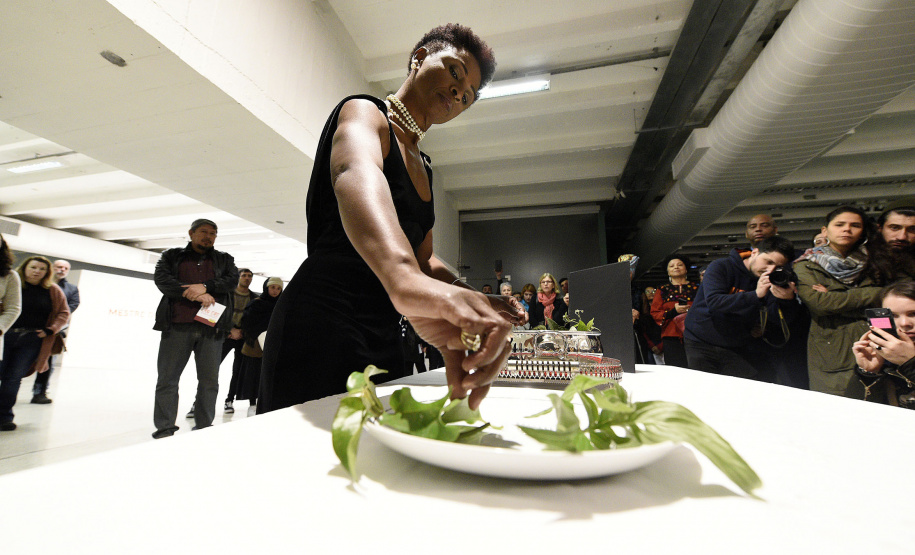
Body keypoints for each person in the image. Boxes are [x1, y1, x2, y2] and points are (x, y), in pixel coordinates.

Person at [258, 24, 522, 413]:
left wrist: (472, 295)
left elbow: (423, 260)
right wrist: (403, 280)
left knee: (384, 457)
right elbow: (352, 172)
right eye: (454, 72)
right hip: (322, 320)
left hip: (386, 327)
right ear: (418, 59)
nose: (457, 92)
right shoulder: (365, 113)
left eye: (466, 96)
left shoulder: (426, 167)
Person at [151, 218, 239, 439]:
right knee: (167, 380)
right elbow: (162, 280)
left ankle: (204, 427)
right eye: (203, 232)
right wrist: (195, 293)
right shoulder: (171, 256)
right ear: (191, 233)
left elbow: (231, 281)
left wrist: (207, 286)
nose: (208, 236)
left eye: (213, 233)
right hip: (177, 326)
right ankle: (165, 428)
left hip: (212, 329)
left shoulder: (224, 260)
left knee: (209, 382)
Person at [684, 237, 799, 380]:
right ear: (755, 252)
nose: (770, 270)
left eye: (777, 267)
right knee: (707, 390)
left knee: (742, 391)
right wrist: (755, 295)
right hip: (701, 340)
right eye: (768, 262)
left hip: (738, 344)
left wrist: (786, 301)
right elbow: (714, 302)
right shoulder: (721, 266)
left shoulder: (770, 280)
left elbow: (776, 319)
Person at [795, 206, 881, 397]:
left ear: (862, 232)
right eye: (840, 224)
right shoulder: (807, 264)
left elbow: (887, 301)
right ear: (825, 230)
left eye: (855, 225)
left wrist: (835, 294)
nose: (847, 229)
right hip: (833, 349)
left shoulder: (876, 261)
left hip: (877, 341)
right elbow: (821, 304)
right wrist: (872, 293)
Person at [0, 256, 69, 431]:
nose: (37, 271)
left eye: (42, 269)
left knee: (13, 378)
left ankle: (4, 417)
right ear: (25, 268)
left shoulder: (52, 290)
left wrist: (50, 330)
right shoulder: (14, 283)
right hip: (5, 335)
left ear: (47, 272)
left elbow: (63, 313)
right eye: (33, 267)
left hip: (31, 340)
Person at [852, 280, 915, 407]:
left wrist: (910, 364)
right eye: (893, 315)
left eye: (913, 314)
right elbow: (856, 413)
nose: (904, 323)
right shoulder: (884, 357)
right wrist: (868, 373)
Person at [30, 259, 80, 404]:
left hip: (54, 331)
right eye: (59, 267)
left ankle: (40, 392)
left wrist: (56, 321)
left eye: (65, 268)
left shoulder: (72, 289)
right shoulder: (40, 284)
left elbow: (70, 308)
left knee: (47, 364)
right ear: (52, 268)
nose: (62, 270)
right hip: (33, 328)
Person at [234, 277, 282, 410]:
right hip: (255, 345)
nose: (275, 291)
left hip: (273, 345)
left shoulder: (281, 305)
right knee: (253, 374)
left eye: (278, 288)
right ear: (267, 288)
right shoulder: (256, 303)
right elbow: (247, 321)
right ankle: (251, 402)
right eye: (272, 287)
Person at [220, 268, 258, 415]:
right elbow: (217, 315)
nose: (247, 278)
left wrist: (243, 331)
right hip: (226, 336)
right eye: (244, 276)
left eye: (249, 276)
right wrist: (230, 330)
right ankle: (198, 403)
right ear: (238, 277)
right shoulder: (226, 295)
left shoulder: (254, 298)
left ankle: (229, 400)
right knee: (210, 371)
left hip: (243, 338)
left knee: (238, 371)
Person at [650, 255, 698, 368]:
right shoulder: (662, 289)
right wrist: (673, 312)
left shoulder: (697, 288)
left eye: (680, 265)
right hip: (671, 336)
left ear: (686, 269)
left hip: (694, 335)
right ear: (668, 272)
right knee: (675, 370)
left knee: (696, 369)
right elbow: (655, 312)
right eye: (671, 266)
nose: (676, 267)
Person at [860, 202, 915, 285]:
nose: (902, 237)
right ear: (880, 228)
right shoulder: (861, 257)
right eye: (894, 228)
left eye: (912, 229)